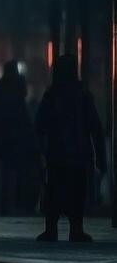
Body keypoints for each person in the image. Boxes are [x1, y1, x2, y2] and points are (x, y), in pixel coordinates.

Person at [34, 53, 108, 242]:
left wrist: (40, 151)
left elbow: (39, 125)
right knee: (77, 193)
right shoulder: (83, 96)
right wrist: (100, 157)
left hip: (57, 155)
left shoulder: (51, 96)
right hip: (79, 156)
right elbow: (95, 128)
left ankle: (51, 229)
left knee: (54, 192)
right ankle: (76, 229)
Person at [0, 61, 41, 216]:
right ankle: (16, 204)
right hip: (14, 138)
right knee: (15, 172)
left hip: (2, 138)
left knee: (4, 173)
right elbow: (21, 113)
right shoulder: (15, 89)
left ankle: (4, 205)